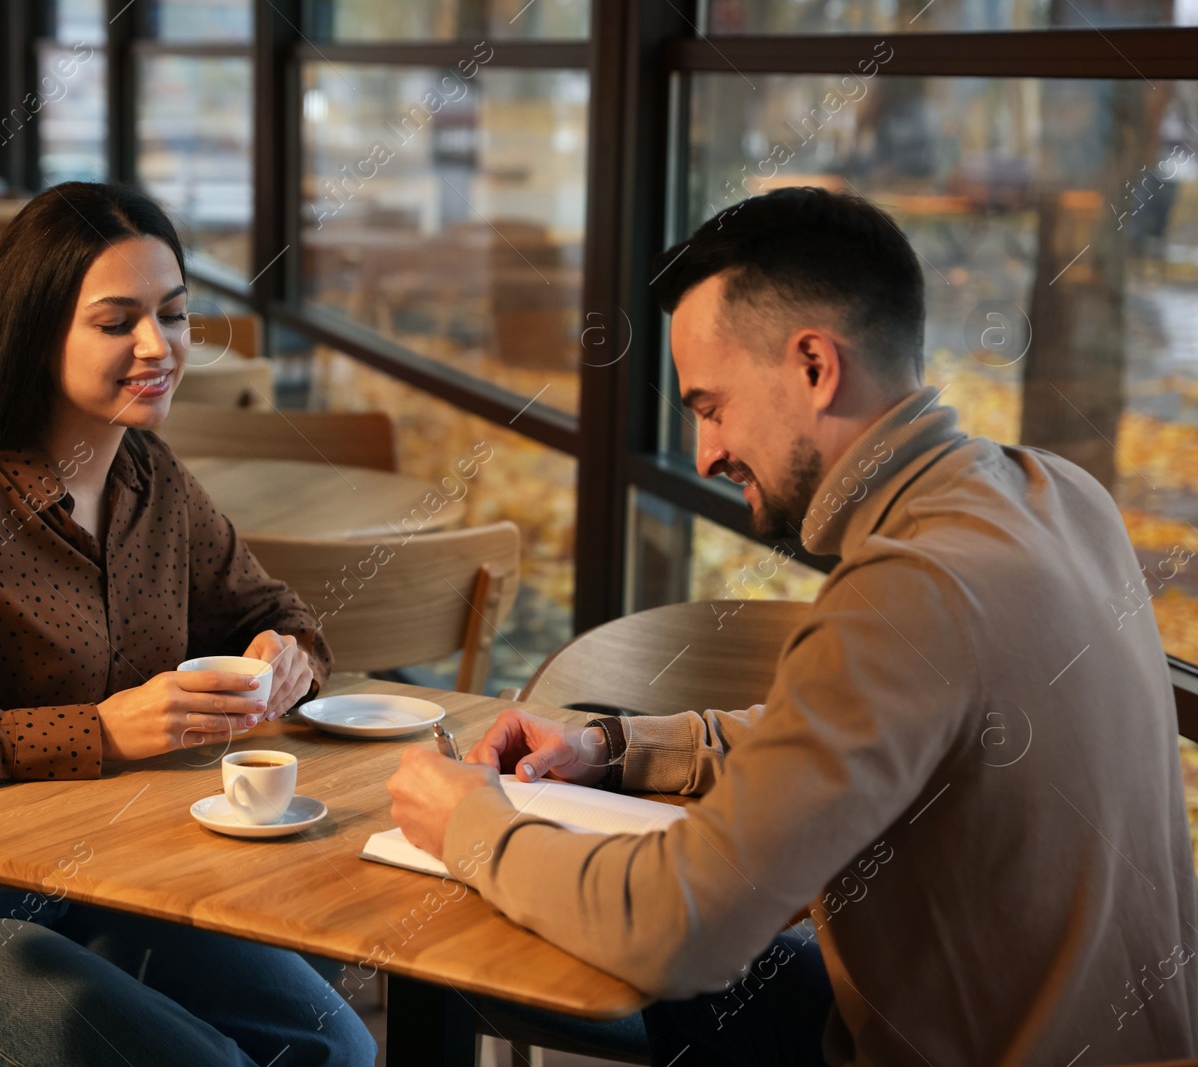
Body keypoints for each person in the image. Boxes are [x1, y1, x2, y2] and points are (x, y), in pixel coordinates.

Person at [386, 186, 1198, 1065]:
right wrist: (611, 747)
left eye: (709, 406)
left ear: (814, 365)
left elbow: (677, 930)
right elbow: (860, 729)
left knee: (537, 950)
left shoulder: (911, 586)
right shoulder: (1059, 493)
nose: (705, 453)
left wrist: (469, 823)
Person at [0, 182, 375, 1067]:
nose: (158, 346)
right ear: (37, 333)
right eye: (117, 322)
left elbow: (279, 614)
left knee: (335, 1043)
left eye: (173, 316)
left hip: (104, 883)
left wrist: (287, 659)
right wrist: (100, 730)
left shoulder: (154, 480)